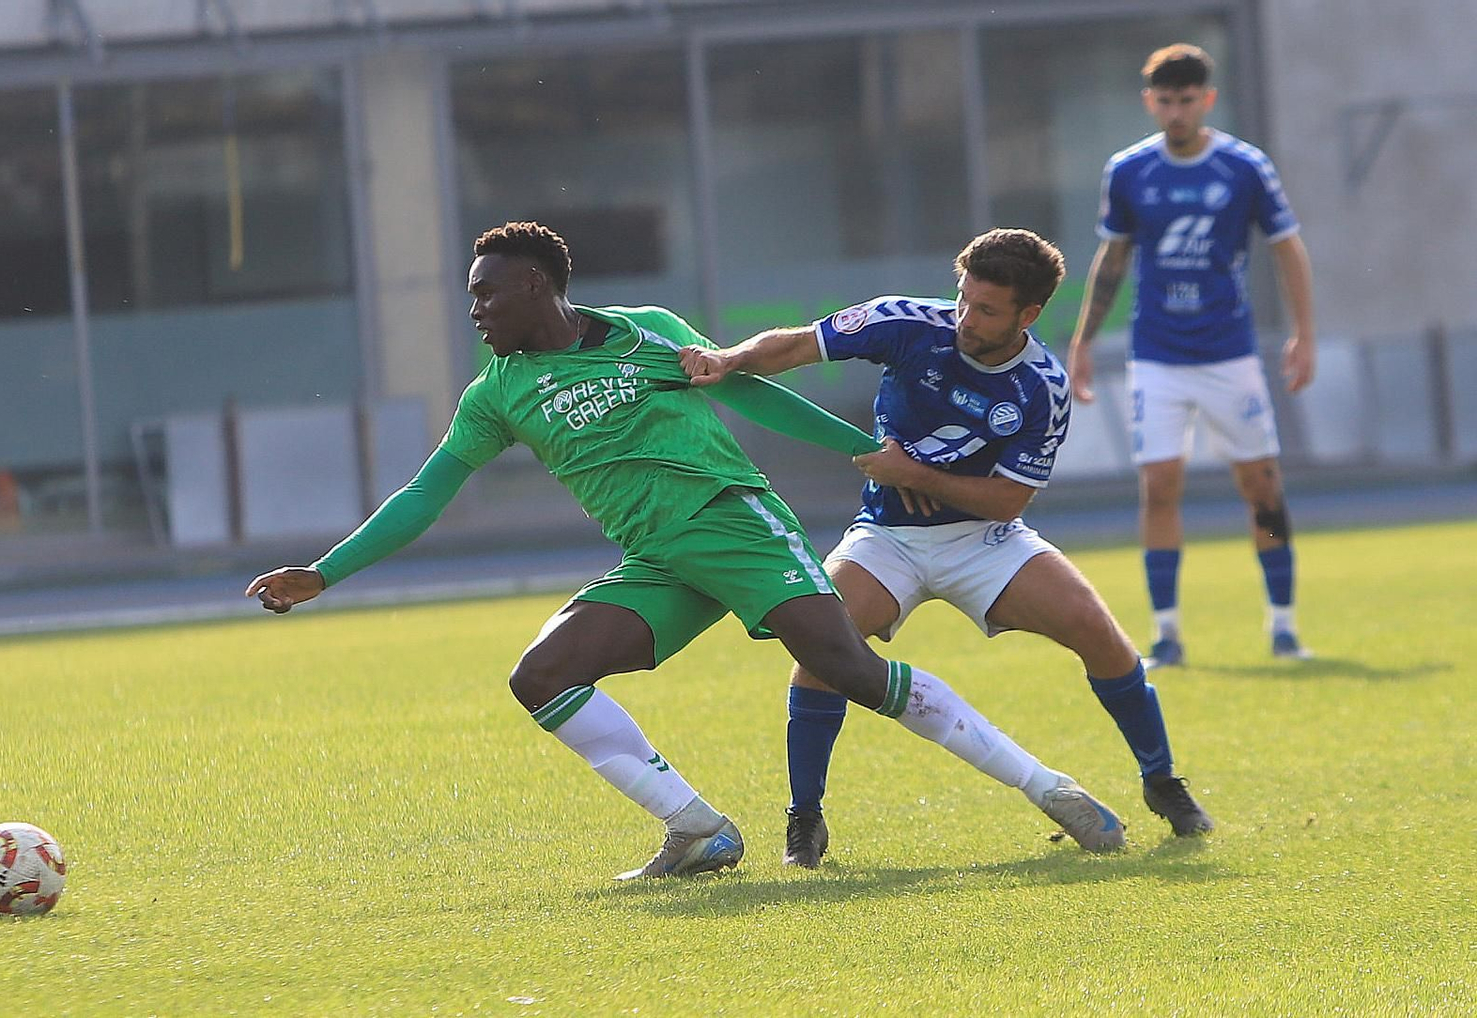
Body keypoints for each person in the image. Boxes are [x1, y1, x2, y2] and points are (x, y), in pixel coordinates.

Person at [248, 221, 1126, 881]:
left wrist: (860, 452)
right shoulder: (496, 396)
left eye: (486, 293)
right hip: (661, 561)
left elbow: (753, 394)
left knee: (851, 672)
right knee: (541, 677)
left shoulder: (648, 331)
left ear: (535, 284)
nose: (474, 309)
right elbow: (423, 495)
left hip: (733, 522)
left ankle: (1047, 788)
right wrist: (323, 572)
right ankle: (699, 830)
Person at [681, 228, 1215, 867]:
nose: (966, 318)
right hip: (886, 537)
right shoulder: (905, 323)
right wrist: (732, 360)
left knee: (1097, 632)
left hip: (982, 539)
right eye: (963, 298)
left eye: (986, 310)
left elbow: (1008, 502)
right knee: (821, 647)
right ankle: (805, 819)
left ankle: (1162, 782)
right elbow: (796, 345)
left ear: (1028, 315)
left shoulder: (1041, 387)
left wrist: (917, 476)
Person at [1065, 43, 1317, 668]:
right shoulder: (1128, 171)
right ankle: (1166, 634)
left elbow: (1286, 246)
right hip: (1158, 354)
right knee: (1159, 485)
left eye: (1187, 100)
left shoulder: (1243, 167)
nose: (1176, 112)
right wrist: (1084, 341)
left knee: (1261, 487)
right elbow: (1114, 258)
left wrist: (1303, 332)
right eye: (1165, 101)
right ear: (1150, 102)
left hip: (1230, 354)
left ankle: (1284, 624)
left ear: (1206, 99)